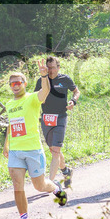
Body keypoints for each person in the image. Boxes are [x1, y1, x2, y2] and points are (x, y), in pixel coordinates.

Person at [3, 62, 68, 219]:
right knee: (18, 185)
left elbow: (45, 92)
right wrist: (6, 143)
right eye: (12, 84)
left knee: (39, 186)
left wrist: (44, 75)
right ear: (10, 86)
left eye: (19, 83)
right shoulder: (9, 104)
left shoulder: (32, 98)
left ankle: (56, 188)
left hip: (33, 150)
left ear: (24, 84)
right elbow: (11, 124)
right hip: (16, 152)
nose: (16, 86)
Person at [34, 57, 80, 188]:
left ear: (58, 68)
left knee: (56, 150)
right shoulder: (41, 81)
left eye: (53, 67)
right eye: (48, 68)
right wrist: (39, 100)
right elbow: (35, 97)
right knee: (53, 149)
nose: (51, 70)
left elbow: (76, 91)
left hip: (60, 117)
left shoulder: (64, 79)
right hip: (46, 118)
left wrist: (73, 101)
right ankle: (66, 171)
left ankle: (50, 182)